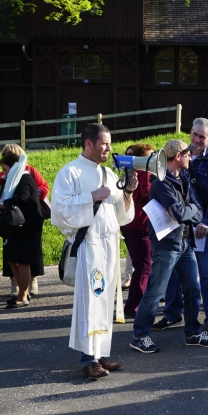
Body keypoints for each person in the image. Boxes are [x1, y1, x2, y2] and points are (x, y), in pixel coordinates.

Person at [51, 124, 138, 379]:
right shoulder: (70, 172)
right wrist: (92, 196)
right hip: (89, 247)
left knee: (105, 301)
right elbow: (60, 211)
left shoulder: (108, 173)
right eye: (104, 143)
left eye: (109, 143)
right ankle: (88, 359)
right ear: (89, 143)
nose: (109, 148)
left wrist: (128, 192)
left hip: (109, 245)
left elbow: (121, 215)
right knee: (90, 302)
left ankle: (100, 354)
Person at [130, 139, 208, 354]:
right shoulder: (160, 183)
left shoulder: (184, 177)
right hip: (167, 245)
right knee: (155, 292)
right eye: (187, 154)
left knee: (193, 289)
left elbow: (198, 210)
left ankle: (193, 333)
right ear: (177, 156)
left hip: (185, 243)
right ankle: (140, 336)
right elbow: (180, 213)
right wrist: (189, 210)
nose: (190, 157)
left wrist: (188, 210)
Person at [159, 118, 208, 335]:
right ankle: (172, 314)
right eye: (194, 135)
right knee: (174, 273)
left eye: (202, 137)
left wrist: (207, 222)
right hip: (180, 225)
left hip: (204, 227)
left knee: (206, 274)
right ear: (190, 133)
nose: (197, 140)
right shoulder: (179, 155)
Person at [0, 143, 49, 299]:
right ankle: (20, 289)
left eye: (5, 169)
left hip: (26, 223)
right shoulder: (9, 178)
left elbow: (23, 197)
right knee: (12, 257)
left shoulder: (25, 176)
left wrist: (3, 204)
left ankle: (24, 292)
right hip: (14, 223)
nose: (3, 173)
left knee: (24, 259)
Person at [120, 143, 154, 320]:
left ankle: (141, 302)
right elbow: (149, 196)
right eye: (151, 155)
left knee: (143, 264)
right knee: (144, 265)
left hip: (130, 224)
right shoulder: (146, 173)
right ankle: (134, 307)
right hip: (140, 225)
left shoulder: (131, 172)